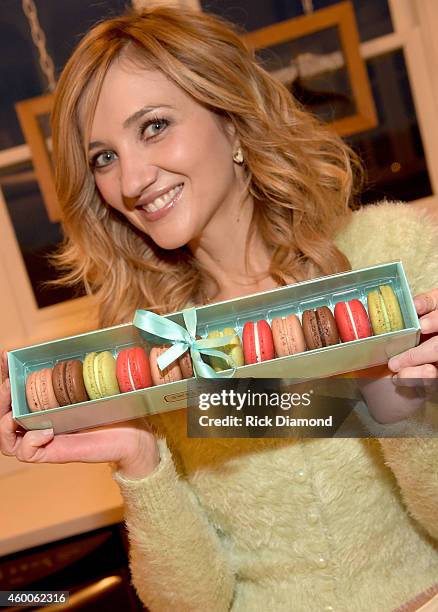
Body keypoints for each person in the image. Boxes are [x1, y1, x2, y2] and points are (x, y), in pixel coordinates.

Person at [1, 6, 438, 611]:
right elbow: (194, 604)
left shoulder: (396, 254)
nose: (131, 180)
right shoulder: (149, 349)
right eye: (103, 157)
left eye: (153, 126)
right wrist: (140, 458)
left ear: (232, 124)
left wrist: (399, 396)